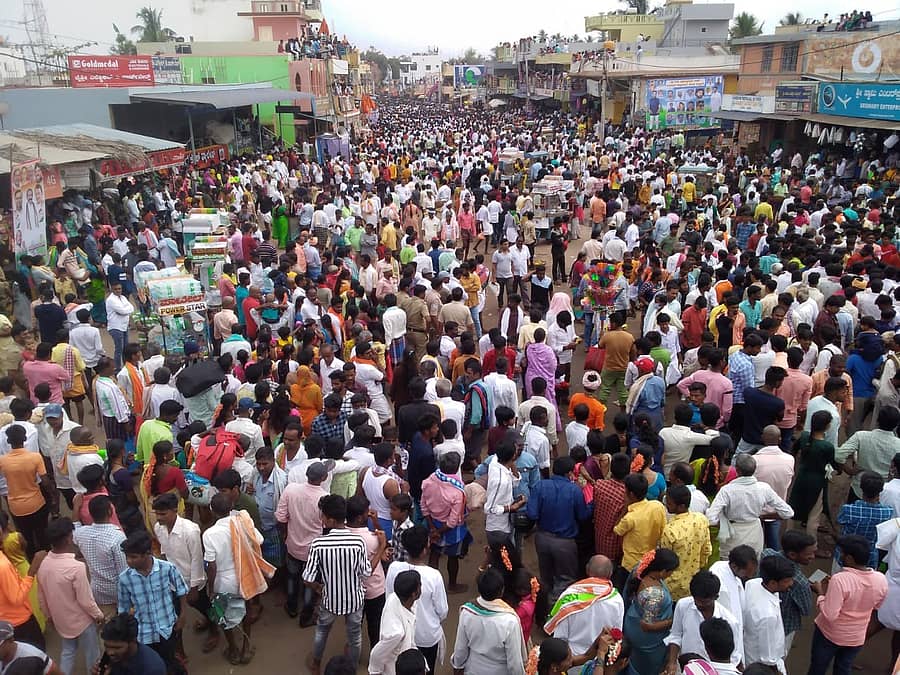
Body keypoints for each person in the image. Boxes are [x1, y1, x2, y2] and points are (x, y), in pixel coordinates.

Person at [303, 495, 373, 674]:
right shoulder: (358, 542)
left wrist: (319, 588)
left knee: (322, 632)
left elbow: (308, 578)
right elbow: (365, 573)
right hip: (354, 600)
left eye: (323, 516)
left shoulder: (318, 544)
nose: (321, 519)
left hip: (329, 600)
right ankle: (351, 669)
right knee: (355, 637)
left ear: (331, 520)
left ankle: (316, 665)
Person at [808, 534, 888, 675]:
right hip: (855, 637)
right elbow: (877, 605)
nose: (841, 556)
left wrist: (820, 593)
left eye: (843, 554)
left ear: (850, 558)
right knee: (843, 669)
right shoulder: (881, 579)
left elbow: (830, 615)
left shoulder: (840, 580)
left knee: (818, 668)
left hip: (829, 635)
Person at [35, 517, 104, 674]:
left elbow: (41, 596)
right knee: (92, 655)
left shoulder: (43, 565)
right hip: (82, 620)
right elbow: (85, 600)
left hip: (61, 620)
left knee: (68, 651)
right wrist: (98, 615)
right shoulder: (77, 567)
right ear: (68, 539)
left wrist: (49, 616)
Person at [151, 492, 217, 655]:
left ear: (175, 510)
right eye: (157, 513)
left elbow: (196, 559)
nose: (159, 517)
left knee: (203, 606)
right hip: (173, 580)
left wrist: (194, 587)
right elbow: (164, 552)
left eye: (163, 513)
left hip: (191, 579)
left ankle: (215, 630)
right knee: (175, 614)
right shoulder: (159, 528)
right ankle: (179, 651)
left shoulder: (190, 530)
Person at [117, 530, 188, 674]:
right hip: (143, 633)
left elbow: (181, 590)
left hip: (167, 629)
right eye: (127, 557)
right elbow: (123, 608)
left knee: (169, 662)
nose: (129, 561)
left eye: (133, 557)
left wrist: (183, 615)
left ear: (148, 553)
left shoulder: (167, 568)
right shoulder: (124, 578)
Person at [527, 456, 592, 605]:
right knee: (565, 580)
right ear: (569, 473)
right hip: (565, 543)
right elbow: (583, 516)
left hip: (542, 539)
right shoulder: (574, 490)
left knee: (546, 578)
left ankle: (543, 611)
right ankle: (557, 614)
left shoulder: (540, 486)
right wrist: (592, 505)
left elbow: (532, 514)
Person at [385, 526, 448, 675]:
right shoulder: (434, 576)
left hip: (400, 634)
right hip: (426, 635)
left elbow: (389, 598)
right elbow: (442, 611)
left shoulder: (394, 568)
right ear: (425, 548)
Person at [706, 453, 794, 558]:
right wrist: (763, 516)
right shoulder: (764, 488)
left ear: (737, 470)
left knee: (730, 569)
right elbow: (787, 512)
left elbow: (710, 519)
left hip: (733, 535)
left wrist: (723, 524)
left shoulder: (727, 490)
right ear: (754, 469)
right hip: (755, 534)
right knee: (752, 568)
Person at [276, 461, 330, 626]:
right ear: (324, 477)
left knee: (292, 577)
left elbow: (280, 517)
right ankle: (306, 617)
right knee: (310, 583)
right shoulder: (325, 498)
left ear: (307, 474)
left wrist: (285, 533)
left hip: (292, 545)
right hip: (313, 551)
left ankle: (292, 607)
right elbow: (326, 525)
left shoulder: (291, 489)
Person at [543, 554, 624, 660]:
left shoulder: (569, 596)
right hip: (598, 660)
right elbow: (616, 635)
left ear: (587, 569)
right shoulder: (617, 600)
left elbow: (560, 639)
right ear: (610, 574)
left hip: (571, 660)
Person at [450, 567, 527, 675]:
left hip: (473, 670)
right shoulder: (510, 621)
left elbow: (460, 649)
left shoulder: (467, 612)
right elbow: (515, 664)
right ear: (502, 591)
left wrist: (457, 666)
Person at [762, 529, 820, 653]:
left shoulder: (767, 554)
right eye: (809, 554)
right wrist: (817, 591)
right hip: (785, 625)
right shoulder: (800, 583)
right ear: (793, 555)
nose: (813, 557)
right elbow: (806, 610)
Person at [421, 452, 471, 594]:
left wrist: (432, 529)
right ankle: (452, 585)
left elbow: (424, 506)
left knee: (435, 553)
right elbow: (453, 521)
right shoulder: (457, 491)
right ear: (456, 469)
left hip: (433, 523)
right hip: (450, 529)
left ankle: (431, 586)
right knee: (453, 556)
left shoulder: (429, 481)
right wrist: (439, 532)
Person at [623, 548, 678, 675]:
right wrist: (672, 621)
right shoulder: (654, 594)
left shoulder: (641, 568)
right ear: (663, 571)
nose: (671, 574)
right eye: (671, 572)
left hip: (633, 618)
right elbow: (647, 625)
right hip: (647, 638)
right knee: (646, 667)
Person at [0, 423, 50, 556]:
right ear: (24, 439)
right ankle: (47, 555)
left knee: (26, 535)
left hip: (16, 507)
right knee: (42, 532)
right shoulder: (35, 457)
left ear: (9, 441)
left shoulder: (3, 461)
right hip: (36, 502)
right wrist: (52, 495)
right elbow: (45, 481)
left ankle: (31, 558)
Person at [72, 495, 127, 615]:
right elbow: (124, 571)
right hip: (119, 591)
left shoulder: (81, 534)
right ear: (110, 511)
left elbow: (75, 525)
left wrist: (76, 507)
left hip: (98, 591)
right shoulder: (117, 537)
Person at [743, 554, 795, 674]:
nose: (791, 584)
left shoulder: (754, 584)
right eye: (787, 581)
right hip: (762, 668)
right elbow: (768, 658)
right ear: (772, 583)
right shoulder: (767, 616)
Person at [660, 486, 711, 602]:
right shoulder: (701, 519)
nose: (666, 505)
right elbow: (706, 550)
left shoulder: (670, 530)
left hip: (673, 585)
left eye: (669, 503)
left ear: (681, 506)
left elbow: (665, 561)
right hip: (695, 581)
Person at [368, 570, 421, 675]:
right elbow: (376, 655)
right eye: (420, 585)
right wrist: (375, 672)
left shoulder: (396, 597)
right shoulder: (396, 633)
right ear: (414, 594)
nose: (421, 587)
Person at [613, 473, 667, 573]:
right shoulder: (658, 506)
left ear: (631, 494)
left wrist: (625, 508)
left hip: (631, 564)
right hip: (651, 559)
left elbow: (617, 530)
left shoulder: (630, 518)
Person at [97, 613, 166, 675]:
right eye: (106, 646)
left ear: (133, 641)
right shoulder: (112, 657)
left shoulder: (152, 669)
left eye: (117, 648)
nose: (109, 652)